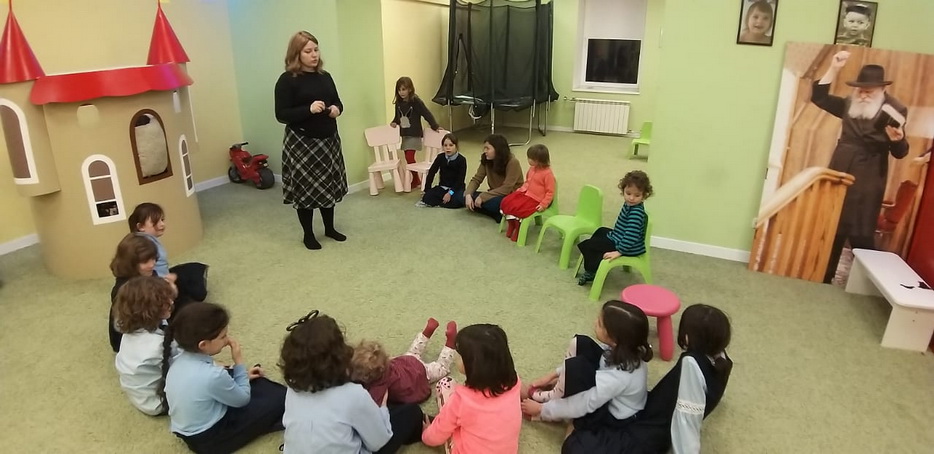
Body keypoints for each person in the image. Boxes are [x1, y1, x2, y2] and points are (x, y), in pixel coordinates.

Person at [811, 51, 909, 284]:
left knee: (861, 230)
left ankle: (869, 283)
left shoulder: (895, 108)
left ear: (882, 89)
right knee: (832, 225)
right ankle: (824, 277)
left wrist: (897, 140)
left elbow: (900, 152)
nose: (863, 95)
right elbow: (819, 98)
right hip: (840, 167)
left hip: (869, 174)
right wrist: (834, 68)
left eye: (869, 91)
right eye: (861, 90)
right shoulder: (850, 103)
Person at [279, 310, 424, 454]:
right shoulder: (353, 394)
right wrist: (383, 409)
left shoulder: (293, 390)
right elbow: (378, 442)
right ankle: (427, 429)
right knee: (411, 412)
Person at [520, 301, 653, 454]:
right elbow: (600, 358)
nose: (595, 322)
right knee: (580, 343)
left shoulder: (619, 376)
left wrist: (542, 410)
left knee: (575, 440)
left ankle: (555, 409)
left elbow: (585, 402)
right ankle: (557, 393)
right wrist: (552, 375)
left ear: (614, 339)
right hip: (609, 388)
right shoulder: (625, 348)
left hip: (615, 416)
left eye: (600, 324)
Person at [162, 303, 287, 453]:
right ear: (203, 344)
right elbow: (242, 400)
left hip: (189, 431)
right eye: (223, 337)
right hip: (211, 439)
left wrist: (243, 376)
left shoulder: (177, 360)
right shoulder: (212, 375)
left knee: (256, 384)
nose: (227, 340)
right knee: (280, 398)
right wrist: (238, 361)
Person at [624, 304, 733, 454]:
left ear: (688, 337)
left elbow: (687, 417)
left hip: (654, 428)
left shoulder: (692, 363)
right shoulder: (721, 356)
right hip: (661, 408)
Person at [275, 31, 348, 250]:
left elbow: (337, 102)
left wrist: (337, 109)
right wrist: (308, 109)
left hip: (328, 140)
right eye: (308, 51)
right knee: (305, 190)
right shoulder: (287, 80)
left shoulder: (325, 77)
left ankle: (329, 229)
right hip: (302, 143)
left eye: (316, 50)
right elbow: (281, 114)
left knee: (327, 187)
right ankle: (308, 235)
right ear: (296, 54)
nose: (314, 55)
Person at [422, 324, 522, 454]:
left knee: (445, 383)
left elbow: (437, 435)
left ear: (473, 364)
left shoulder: (462, 400)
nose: (456, 357)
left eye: (460, 355)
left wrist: (426, 435)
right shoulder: (514, 382)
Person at [351, 318, 458, 405]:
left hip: (421, 372)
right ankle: (427, 332)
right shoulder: (385, 362)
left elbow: (375, 406)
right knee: (413, 351)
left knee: (441, 368)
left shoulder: (379, 386)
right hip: (406, 361)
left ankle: (450, 343)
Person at [113, 276, 179, 416]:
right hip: (157, 403)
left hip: (138, 393)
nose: (171, 302)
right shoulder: (157, 346)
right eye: (164, 301)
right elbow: (186, 365)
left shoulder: (131, 329)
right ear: (149, 309)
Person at [576, 171, 652, 286]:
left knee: (589, 245)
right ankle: (596, 259)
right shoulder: (629, 205)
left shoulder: (636, 213)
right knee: (601, 231)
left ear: (644, 196)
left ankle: (591, 271)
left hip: (627, 246)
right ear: (623, 191)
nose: (631, 198)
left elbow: (631, 236)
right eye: (628, 193)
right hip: (619, 237)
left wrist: (619, 251)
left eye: (637, 195)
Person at [128, 203, 208, 305]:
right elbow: (145, 276)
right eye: (155, 222)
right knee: (194, 294)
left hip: (163, 277)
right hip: (158, 286)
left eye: (162, 220)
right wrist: (167, 284)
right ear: (140, 226)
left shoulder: (147, 239)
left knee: (194, 268)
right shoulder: (143, 246)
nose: (162, 224)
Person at [108, 233, 170, 352]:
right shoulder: (124, 290)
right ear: (130, 262)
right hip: (136, 334)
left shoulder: (149, 273)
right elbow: (127, 325)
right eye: (145, 261)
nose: (152, 264)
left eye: (153, 259)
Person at [390, 76, 440, 189]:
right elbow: (398, 116)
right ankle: (416, 178)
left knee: (409, 157)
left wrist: (435, 125)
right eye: (399, 90)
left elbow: (426, 113)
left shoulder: (415, 101)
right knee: (407, 157)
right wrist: (394, 122)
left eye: (404, 89)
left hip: (414, 134)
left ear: (410, 89)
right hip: (405, 134)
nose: (401, 92)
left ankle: (416, 178)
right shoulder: (398, 102)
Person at [500, 144, 556, 242]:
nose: (528, 160)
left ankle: (518, 227)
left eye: (531, 158)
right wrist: (521, 190)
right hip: (526, 193)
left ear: (538, 160)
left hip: (537, 199)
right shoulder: (532, 169)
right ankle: (511, 224)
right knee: (507, 201)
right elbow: (527, 182)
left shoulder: (548, 174)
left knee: (520, 208)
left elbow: (550, 192)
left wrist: (543, 204)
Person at [463, 134, 524, 223]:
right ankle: (496, 213)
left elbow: (506, 188)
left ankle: (495, 211)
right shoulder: (486, 159)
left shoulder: (513, 162)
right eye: (484, 148)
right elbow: (476, 179)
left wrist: (483, 196)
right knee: (463, 196)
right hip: (494, 194)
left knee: (496, 203)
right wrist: (468, 194)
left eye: (488, 148)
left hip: (510, 196)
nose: (485, 151)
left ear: (498, 149)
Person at [417, 133, 467, 208]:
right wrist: (427, 189)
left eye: (451, 145)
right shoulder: (440, 157)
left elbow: (460, 180)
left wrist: (450, 193)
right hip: (443, 187)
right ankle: (443, 202)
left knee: (458, 201)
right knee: (427, 197)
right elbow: (432, 172)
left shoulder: (462, 160)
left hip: (456, 189)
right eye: (445, 145)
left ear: (456, 146)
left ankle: (442, 201)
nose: (448, 148)